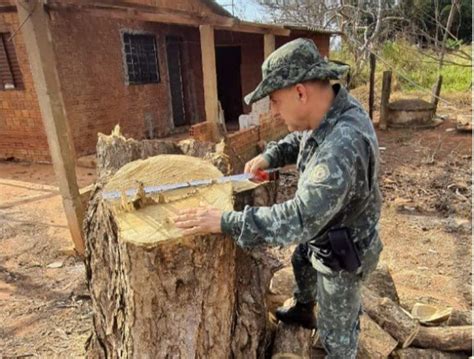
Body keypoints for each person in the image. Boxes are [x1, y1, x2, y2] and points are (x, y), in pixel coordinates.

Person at [173, 38, 383, 358]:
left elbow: (298, 219)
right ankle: (302, 307)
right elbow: (302, 138)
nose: (272, 110)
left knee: (336, 330)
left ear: (300, 92)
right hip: (327, 227)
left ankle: (337, 347)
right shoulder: (328, 110)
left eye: (274, 100)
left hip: (344, 247)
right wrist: (271, 156)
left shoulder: (343, 145)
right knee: (302, 261)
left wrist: (225, 221)